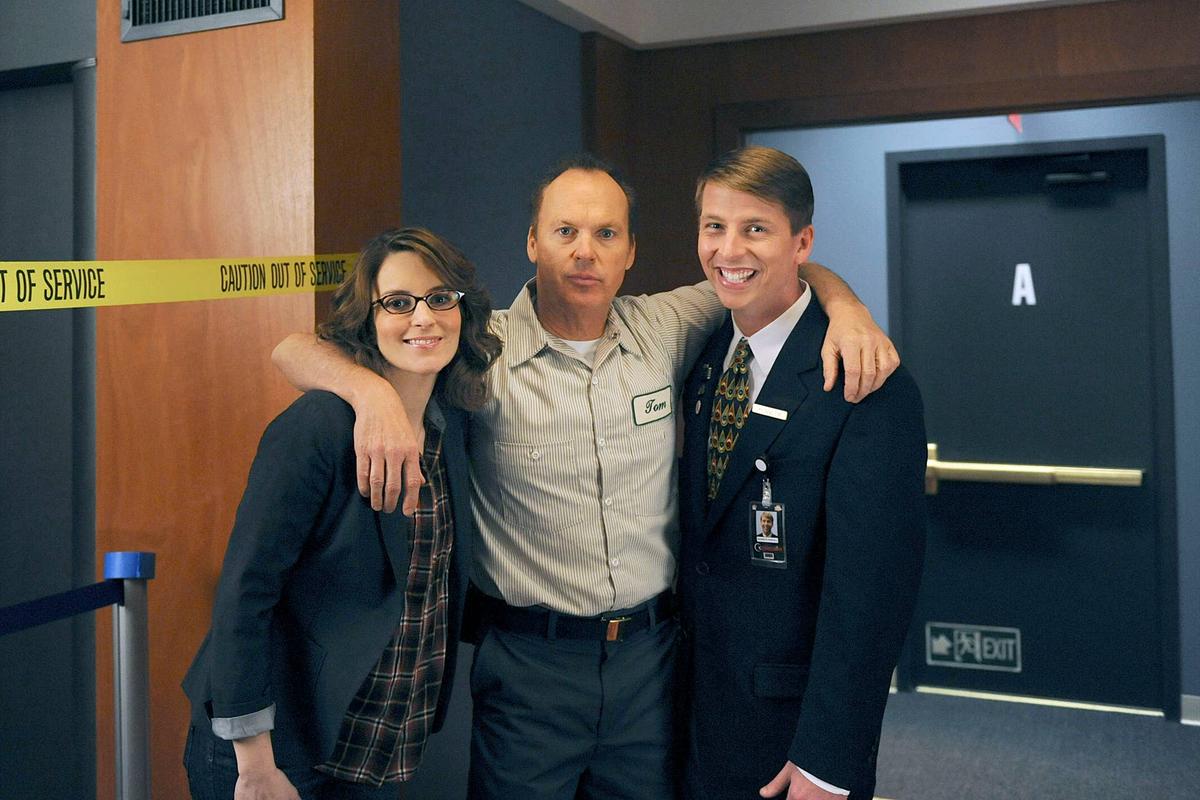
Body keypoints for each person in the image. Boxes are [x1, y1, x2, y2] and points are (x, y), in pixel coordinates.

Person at [271, 154, 899, 800]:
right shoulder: (478, 347)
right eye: (565, 231)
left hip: (650, 666)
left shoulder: (665, 326)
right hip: (528, 668)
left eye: (606, 235)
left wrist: (846, 307)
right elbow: (293, 349)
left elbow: (768, 271)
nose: (584, 253)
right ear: (532, 243)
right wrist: (370, 395)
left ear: (630, 252)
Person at [182, 227, 501, 800]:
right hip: (279, 749)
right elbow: (244, 592)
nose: (423, 318)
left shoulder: (451, 427)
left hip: (376, 745)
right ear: (367, 321)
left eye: (440, 298)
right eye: (399, 303)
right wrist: (255, 762)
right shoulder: (319, 428)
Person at [677, 145, 927, 800]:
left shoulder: (864, 379)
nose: (729, 249)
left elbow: (870, 595)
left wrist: (828, 759)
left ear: (801, 242)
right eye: (714, 226)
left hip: (788, 734)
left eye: (755, 228)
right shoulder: (699, 353)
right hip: (688, 716)